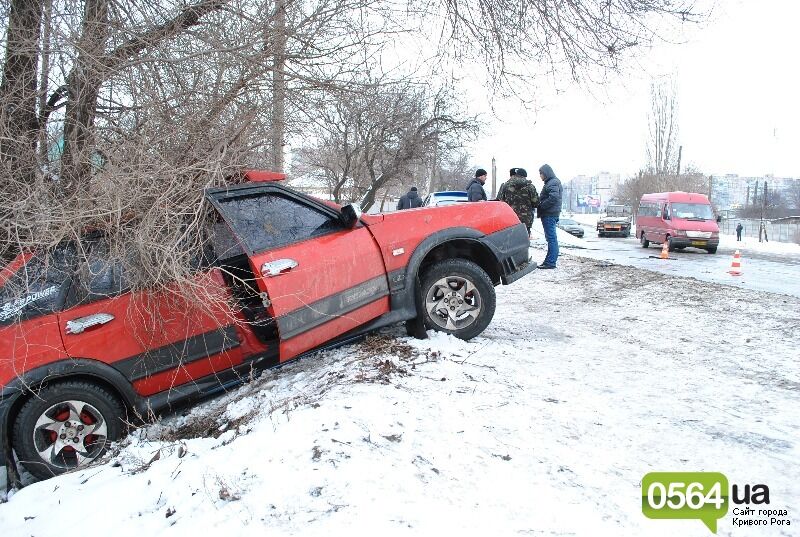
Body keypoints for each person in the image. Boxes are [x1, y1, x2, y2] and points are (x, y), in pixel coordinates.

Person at [496, 167, 539, 235]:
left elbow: (499, 201)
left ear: (516, 174)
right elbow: (536, 203)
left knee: (510, 241)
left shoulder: (505, 185)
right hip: (526, 219)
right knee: (524, 241)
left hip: (510, 218)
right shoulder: (530, 187)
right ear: (525, 176)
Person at [537, 164, 563, 269]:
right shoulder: (551, 182)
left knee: (551, 239)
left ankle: (551, 262)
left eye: (541, 173)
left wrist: (542, 206)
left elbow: (554, 197)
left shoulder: (552, 182)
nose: (540, 176)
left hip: (549, 214)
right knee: (550, 238)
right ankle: (549, 261)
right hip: (550, 213)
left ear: (546, 173)